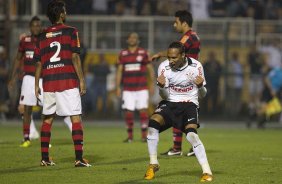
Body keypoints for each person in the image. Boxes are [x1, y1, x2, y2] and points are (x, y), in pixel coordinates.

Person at [144, 42, 212, 182]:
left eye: (174, 57)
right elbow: (164, 96)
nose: (170, 60)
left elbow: (203, 94)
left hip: (189, 105)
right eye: (169, 57)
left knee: (192, 136)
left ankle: (207, 172)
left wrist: (200, 87)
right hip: (170, 103)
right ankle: (153, 163)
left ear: (183, 55)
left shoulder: (196, 66)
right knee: (152, 126)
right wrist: (161, 87)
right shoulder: (164, 67)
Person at [34, 0, 91, 167]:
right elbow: (74, 57)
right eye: (64, 10)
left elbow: (38, 63)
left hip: (49, 82)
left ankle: (45, 158)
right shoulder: (71, 32)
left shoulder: (42, 36)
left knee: (47, 119)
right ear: (61, 14)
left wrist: (36, 84)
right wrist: (81, 79)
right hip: (67, 81)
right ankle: (79, 158)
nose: (66, 13)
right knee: (75, 118)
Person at [8, 16, 72, 148]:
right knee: (26, 109)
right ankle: (26, 138)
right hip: (28, 79)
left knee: (48, 110)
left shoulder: (46, 39)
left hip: (45, 79)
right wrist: (12, 77)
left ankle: (45, 139)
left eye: (38, 25)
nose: (36, 28)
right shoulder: (25, 41)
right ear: (30, 27)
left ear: (41, 27)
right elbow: (17, 59)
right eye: (34, 25)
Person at [151, 10, 200, 156]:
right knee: (182, 112)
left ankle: (181, 148)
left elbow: (177, 52)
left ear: (184, 23)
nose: (174, 25)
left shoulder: (188, 37)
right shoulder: (195, 35)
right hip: (190, 76)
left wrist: (160, 54)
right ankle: (181, 147)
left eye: (176, 22)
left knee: (176, 109)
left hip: (185, 77)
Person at [116, 32, 155, 143]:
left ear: (138, 40)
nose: (132, 39)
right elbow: (119, 71)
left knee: (143, 110)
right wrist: (118, 87)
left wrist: (152, 84)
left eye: (135, 38)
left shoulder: (143, 53)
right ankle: (130, 136)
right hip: (128, 88)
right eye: (130, 37)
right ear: (127, 40)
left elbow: (150, 69)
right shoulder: (122, 54)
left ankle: (144, 136)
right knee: (128, 111)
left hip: (142, 87)